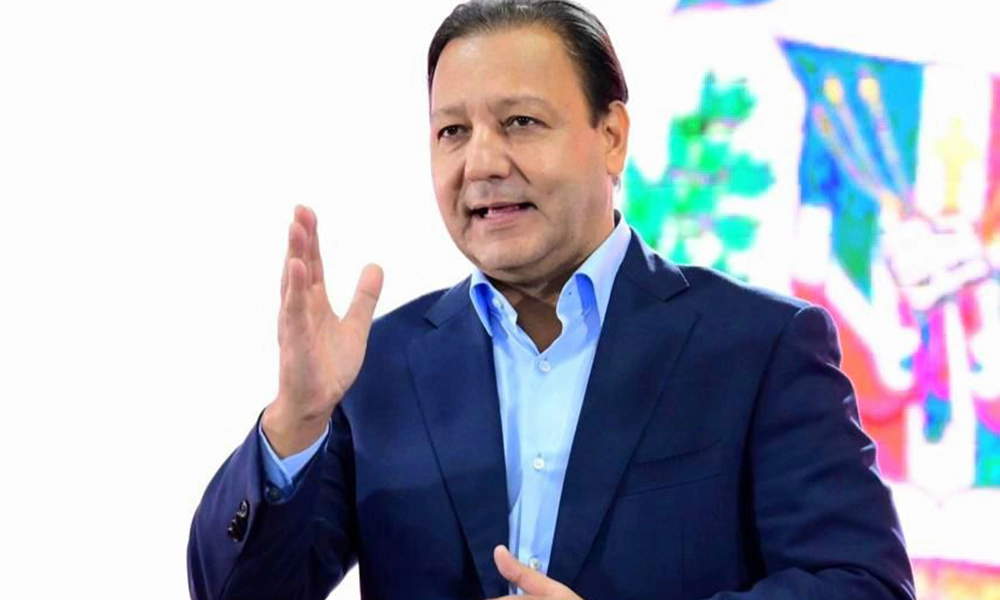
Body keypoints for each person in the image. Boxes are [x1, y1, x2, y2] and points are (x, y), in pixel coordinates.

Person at [187, 1, 915, 599]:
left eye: (520, 123)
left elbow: (862, 586)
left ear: (612, 137)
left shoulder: (760, 346)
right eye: (453, 132)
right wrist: (296, 419)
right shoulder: (378, 366)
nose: (481, 162)